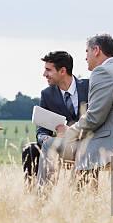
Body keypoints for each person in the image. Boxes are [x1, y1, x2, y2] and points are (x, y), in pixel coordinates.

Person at [37, 34, 113, 187]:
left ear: (96, 50)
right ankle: (85, 198)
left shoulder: (102, 72)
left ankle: (42, 201)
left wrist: (68, 132)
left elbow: (94, 118)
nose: (86, 58)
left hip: (109, 146)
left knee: (49, 146)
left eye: (87, 51)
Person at [22, 51, 89, 181]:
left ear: (62, 71)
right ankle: (34, 196)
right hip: (60, 144)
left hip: (86, 142)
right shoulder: (47, 94)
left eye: (48, 70)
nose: (44, 74)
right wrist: (43, 138)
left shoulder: (88, 87)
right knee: (31, 149)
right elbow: (41, 129)